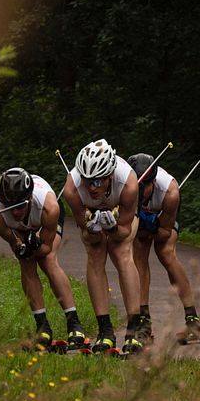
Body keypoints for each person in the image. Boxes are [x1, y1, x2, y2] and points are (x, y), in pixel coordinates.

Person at [0, 168, 87, 350]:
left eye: (20, 207)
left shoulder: (50, 207)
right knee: (26, 262)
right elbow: (11, 237)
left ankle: (74, 324)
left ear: (30, 198)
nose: (16, 212)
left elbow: (46, 248)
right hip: (19, 230)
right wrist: (20, 245)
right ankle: (42, 327)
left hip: (43, 222)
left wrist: (37, 242)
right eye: (11, 207)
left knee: (48, 261)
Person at [62, 139, 145, 354]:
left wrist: (113, 226)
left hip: (120, 218)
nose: (91, 187)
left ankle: (133, 331)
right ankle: (105, 331)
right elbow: (88, 234)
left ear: (110, 176)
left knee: (121, 252)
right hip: (91, 215)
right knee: (95, 253)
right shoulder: (72, 189)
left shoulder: (128, 184)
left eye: (98, 181)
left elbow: (124, 233)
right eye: (87, 181)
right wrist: (92, 227)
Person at [126, 153, 200, 343]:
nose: (139, 192)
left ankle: (193, 320)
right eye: (136, 187)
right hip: (143, 224)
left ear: (153, 182)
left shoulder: (170, 192)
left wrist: (151, 225)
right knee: (139, 252)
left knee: (166, 253)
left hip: (163, 221)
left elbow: (164, 232)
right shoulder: (128, 188)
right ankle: (144, 324)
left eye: (143, 188)